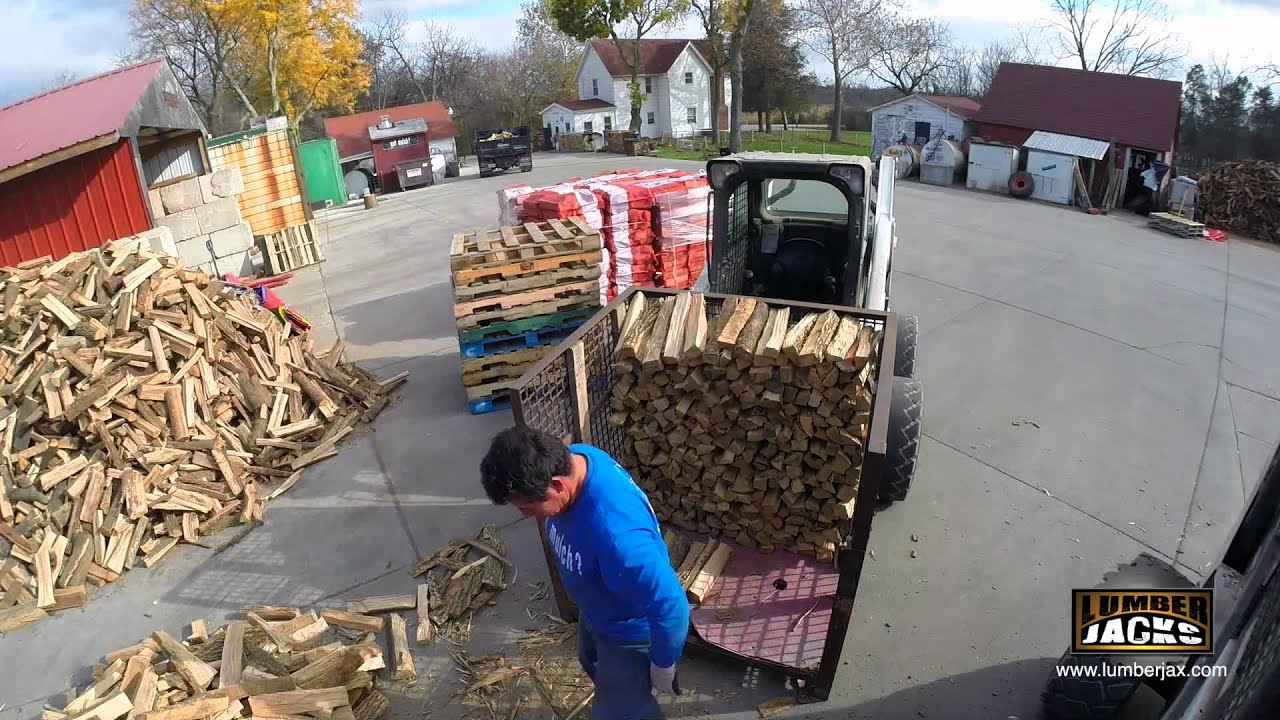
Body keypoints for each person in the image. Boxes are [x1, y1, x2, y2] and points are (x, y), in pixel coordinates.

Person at [479, 427, 689, 720]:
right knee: (589, 660)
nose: (526, 516)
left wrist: (663, 663)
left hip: (628, 636)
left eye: (528, 506)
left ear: (557, 485)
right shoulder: (576, 458)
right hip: (597, 612)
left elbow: (671, 604)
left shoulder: (619, 538)